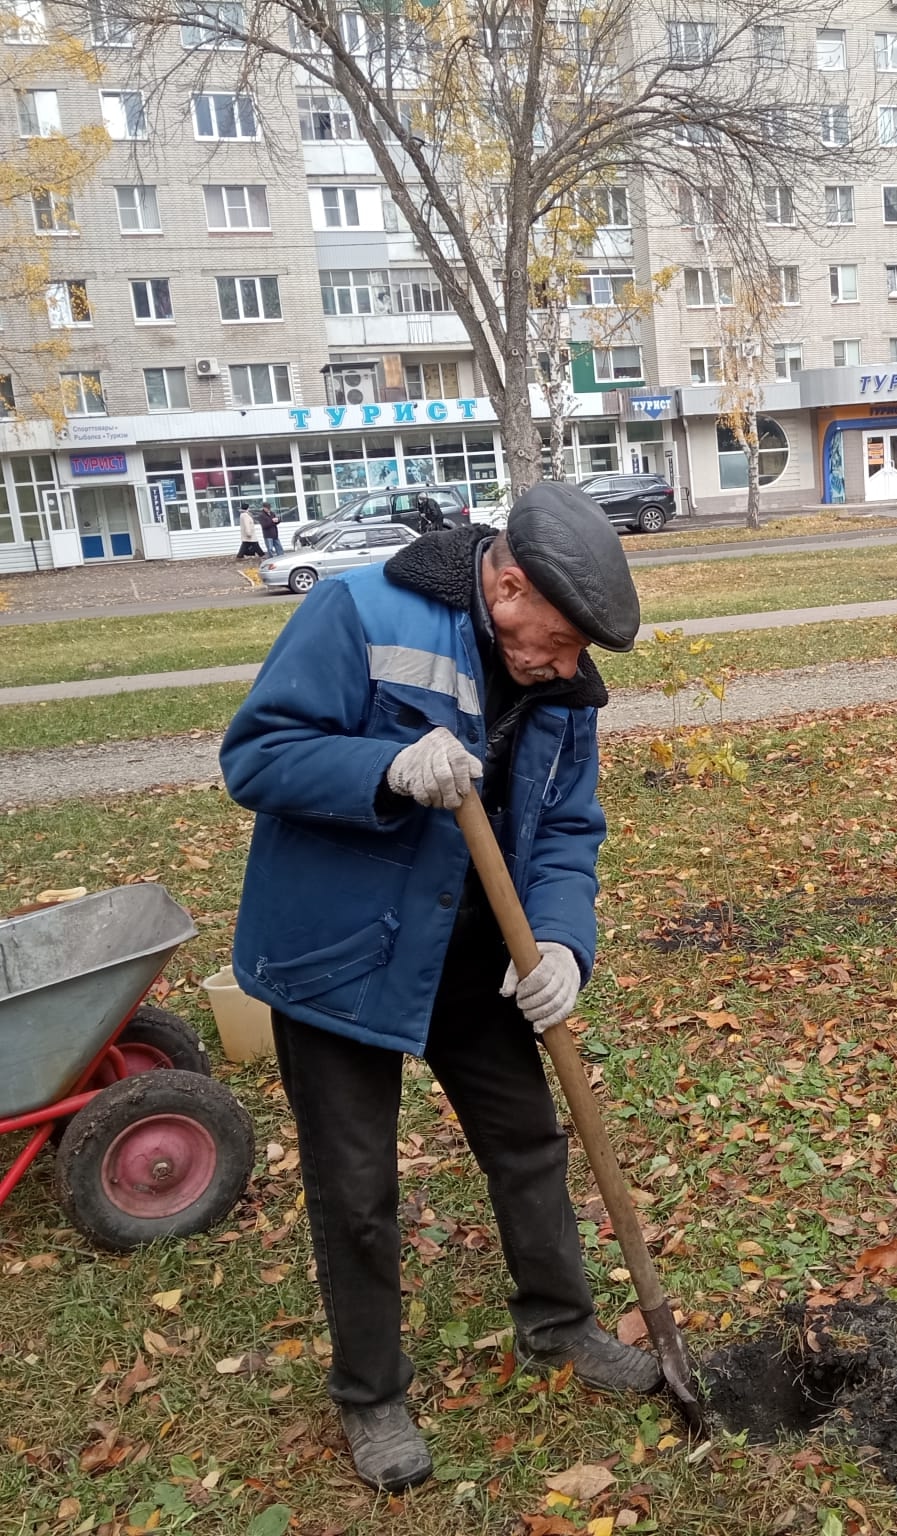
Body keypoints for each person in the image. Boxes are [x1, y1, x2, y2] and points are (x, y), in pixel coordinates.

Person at [220, 485, 654, 1493]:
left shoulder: (559, 686)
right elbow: (256, 756)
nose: (567, 662)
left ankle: (561, 1325)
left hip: (474, 949)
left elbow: (569, 830)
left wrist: (559, 945)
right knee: (357, 1186)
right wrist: (383, 770)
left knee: (528, 1144)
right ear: (506, 584)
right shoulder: (358, 613)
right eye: (558, 638)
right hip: (339, 951)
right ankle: (372, 1395)